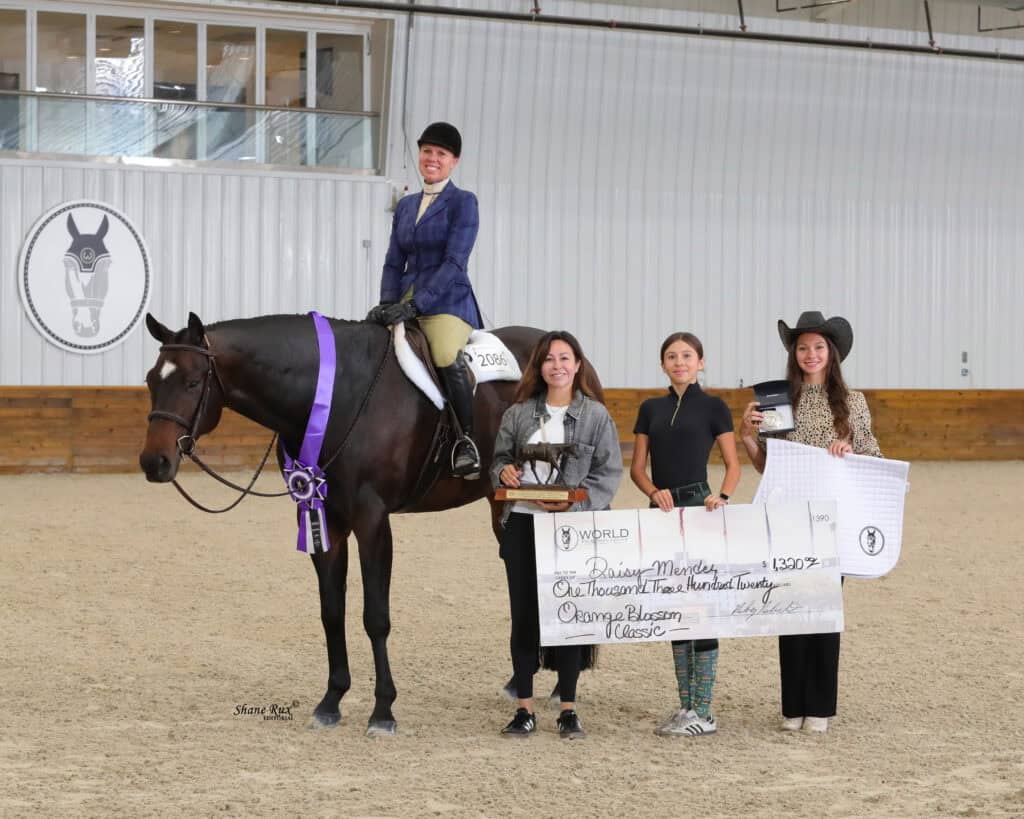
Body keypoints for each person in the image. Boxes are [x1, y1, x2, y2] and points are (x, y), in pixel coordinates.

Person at [738, 310, 881, 733]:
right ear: (794, 353)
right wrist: (748, 436)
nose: (811, 354)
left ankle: (819, 707)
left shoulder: (853, 402)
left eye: (818, 347)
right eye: (803, 347)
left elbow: (873, 455)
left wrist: (848, 451)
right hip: (789, 519)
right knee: (791, 610)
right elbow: (770, 466)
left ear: (832, 353)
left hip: (833, 520)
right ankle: (792, 706)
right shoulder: (779, 400)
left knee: (824, 610)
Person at [491, 331, 623, 739]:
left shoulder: (596, 417)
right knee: (525, 615)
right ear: (539, 367)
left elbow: (608, 474)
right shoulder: (517, 414)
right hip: (524, 524)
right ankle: (524, 709)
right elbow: (498, 462)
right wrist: (504, 472)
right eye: (549, 359)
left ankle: (568, 709)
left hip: (572, 530)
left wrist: (575, 505)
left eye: (565, 358)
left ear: (578, 364)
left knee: (569, 616)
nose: (558, 366)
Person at [630, 332, 740, 737]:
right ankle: (684, 707)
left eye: (687, 356)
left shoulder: (714, 407)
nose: (679, 362)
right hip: (661, 512)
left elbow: (732, 465)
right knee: (676, 610)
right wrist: (651, 490)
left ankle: (705, 710)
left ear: (701, 362)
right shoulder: (650, 408)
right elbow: (638, 468)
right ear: (663, 364)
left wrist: (722, 496)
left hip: (700, 507)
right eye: (672, 356)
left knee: (702, 606)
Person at [366, 122, 484, 478]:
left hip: (447, 302)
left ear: (454, 161)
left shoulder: (463, 203)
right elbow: (392, 261)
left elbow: (455, 262)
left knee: (446, 354)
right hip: (404, 298)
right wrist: (388, 302)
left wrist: (419, 305)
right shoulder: (406, 206)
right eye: (427, 152)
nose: (432, 159)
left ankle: (467, 441)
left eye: (441, 154)